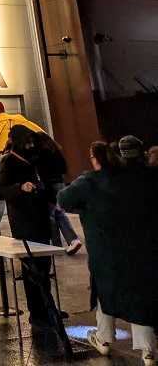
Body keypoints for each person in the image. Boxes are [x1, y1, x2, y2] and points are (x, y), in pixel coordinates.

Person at [58, 137, 158, 364]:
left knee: (105, 290)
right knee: (139, 296)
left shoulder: (94, 180)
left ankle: (103, 339)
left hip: (106, 250)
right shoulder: (147, 178)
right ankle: (147, 350)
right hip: (142, 250)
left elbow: (64, 198)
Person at [0, 125, 53, 326]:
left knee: (44, 266)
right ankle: (37, 310)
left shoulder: (34, 160)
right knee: (32, 269)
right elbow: (4, 190)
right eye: (27, 142)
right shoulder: (9, 162)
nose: (31, 145)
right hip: (24, 222)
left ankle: (47, 306)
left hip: (40, 218)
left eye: (33, 142)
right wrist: (20, 188)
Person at [36, 132, 82, 254]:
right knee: (59, 212)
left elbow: (43, 172)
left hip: (49, 185)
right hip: (60, 183)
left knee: (51, 214)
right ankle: (71, 240)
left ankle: (57, 244)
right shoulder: (55, 150)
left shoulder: (41, 153)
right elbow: (63, 168)